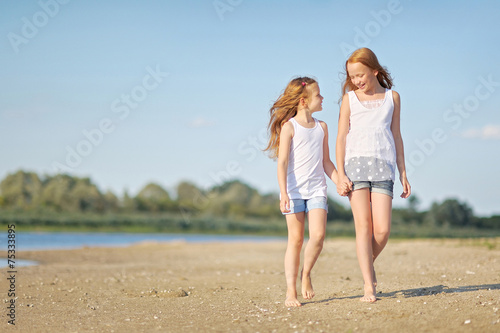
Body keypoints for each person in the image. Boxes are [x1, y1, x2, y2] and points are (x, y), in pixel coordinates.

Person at [265, 76, 349, 307]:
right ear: (304, 101)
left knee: (318, 236)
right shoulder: (289, 127)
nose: (322, 98)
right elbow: (282, 163)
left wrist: (339, 180)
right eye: (319, 95)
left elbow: (326, 162)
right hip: (293, 191)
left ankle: (306, 273)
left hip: (317, 190)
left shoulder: (322, 127)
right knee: (296, 240)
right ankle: (290, 292)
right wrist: (283, 193)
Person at [336, 48, 411, 303]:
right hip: (355, 167)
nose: (356, 80)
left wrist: (403, 172)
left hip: (384, 167)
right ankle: (369, 286)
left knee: (382, 231)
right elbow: (341, 138)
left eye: (360, 75)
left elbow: (397, 136)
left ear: (374, 71)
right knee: (363, 227)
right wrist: (340, 175)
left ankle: (367, 263)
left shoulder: (393, 98)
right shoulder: (349, 99)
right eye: (352, 76)